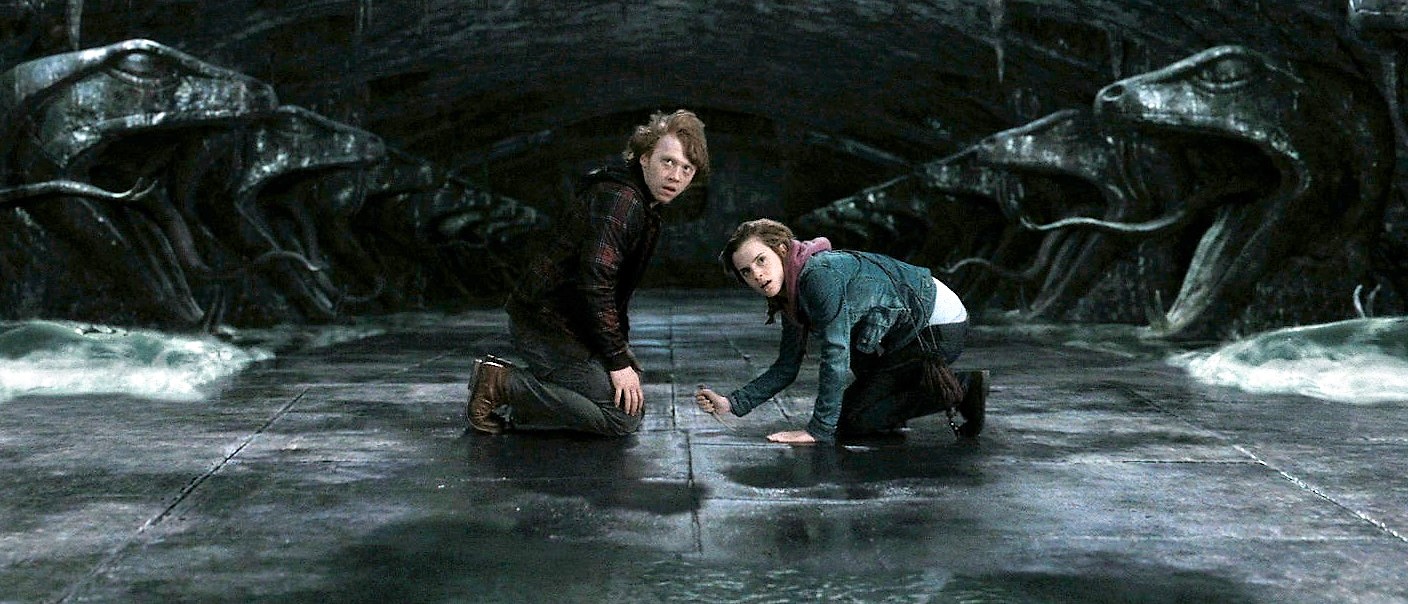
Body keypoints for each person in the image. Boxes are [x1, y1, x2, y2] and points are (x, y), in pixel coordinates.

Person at [466, 109, 710, 436]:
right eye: (668, 162)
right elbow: (596, 283)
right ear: (644, 158)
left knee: (630, 388)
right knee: (622, 418)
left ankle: (526, 404)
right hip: (545, 326)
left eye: (686, 168)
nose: (675, 176)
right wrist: (616, 361)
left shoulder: (639, 201)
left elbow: (611, 289)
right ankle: (501, 384)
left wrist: (619, 352)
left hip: (568, 325)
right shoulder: (622, 200)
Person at [695, 218, 987, 445]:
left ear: (781, 250)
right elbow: (786, 366)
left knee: (851, 420)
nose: (757, 274)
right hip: (909, 331)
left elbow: (836, 354)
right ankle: (889, 409)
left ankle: (963, 388)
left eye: (761, 260)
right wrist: (730, 403)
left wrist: (818, 430)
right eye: (746, 271)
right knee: (857, 409)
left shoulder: (818, 276)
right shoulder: (790, 295)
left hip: (935, 329)